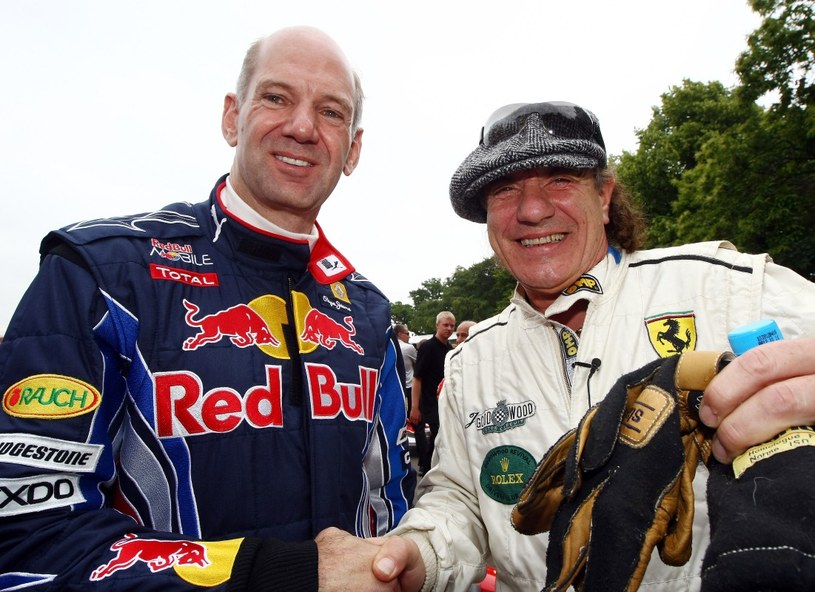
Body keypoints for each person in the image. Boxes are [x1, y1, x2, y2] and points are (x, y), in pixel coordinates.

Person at [0, 27, 414, 591]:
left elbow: (385, 509)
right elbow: (29, 540)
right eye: (276, 97)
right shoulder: (103, 274)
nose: (301, 126)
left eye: (331, 112)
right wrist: (276, 575)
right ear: (231, 117)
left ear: (353, 150)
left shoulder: (367, 313)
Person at [369, 101, 815, 590]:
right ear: (488, 220)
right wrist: (418, 553)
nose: (532, 209)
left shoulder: (729, 291)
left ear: (604, 197)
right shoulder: (469, 361)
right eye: (505, 189)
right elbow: (460, 503)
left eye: (559, 179)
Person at [410, 311, 455, 475]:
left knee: (442, 436)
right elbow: (417, 378)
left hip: (445, 401)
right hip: (429, 402)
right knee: (437, 435)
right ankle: (427, 466)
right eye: (445, 325)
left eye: (451, 326)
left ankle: (431, 465)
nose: (449, 329)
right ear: (437, 325)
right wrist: (415, 407)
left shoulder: (450, 349)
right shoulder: (428, 347)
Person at [394, 323, 417, 406]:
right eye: (407, 334)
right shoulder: (408, 347)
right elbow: (418, 363)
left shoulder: (390, 348)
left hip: (396, 386)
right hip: (409, 385)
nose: (409, 336)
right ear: (400, 334)